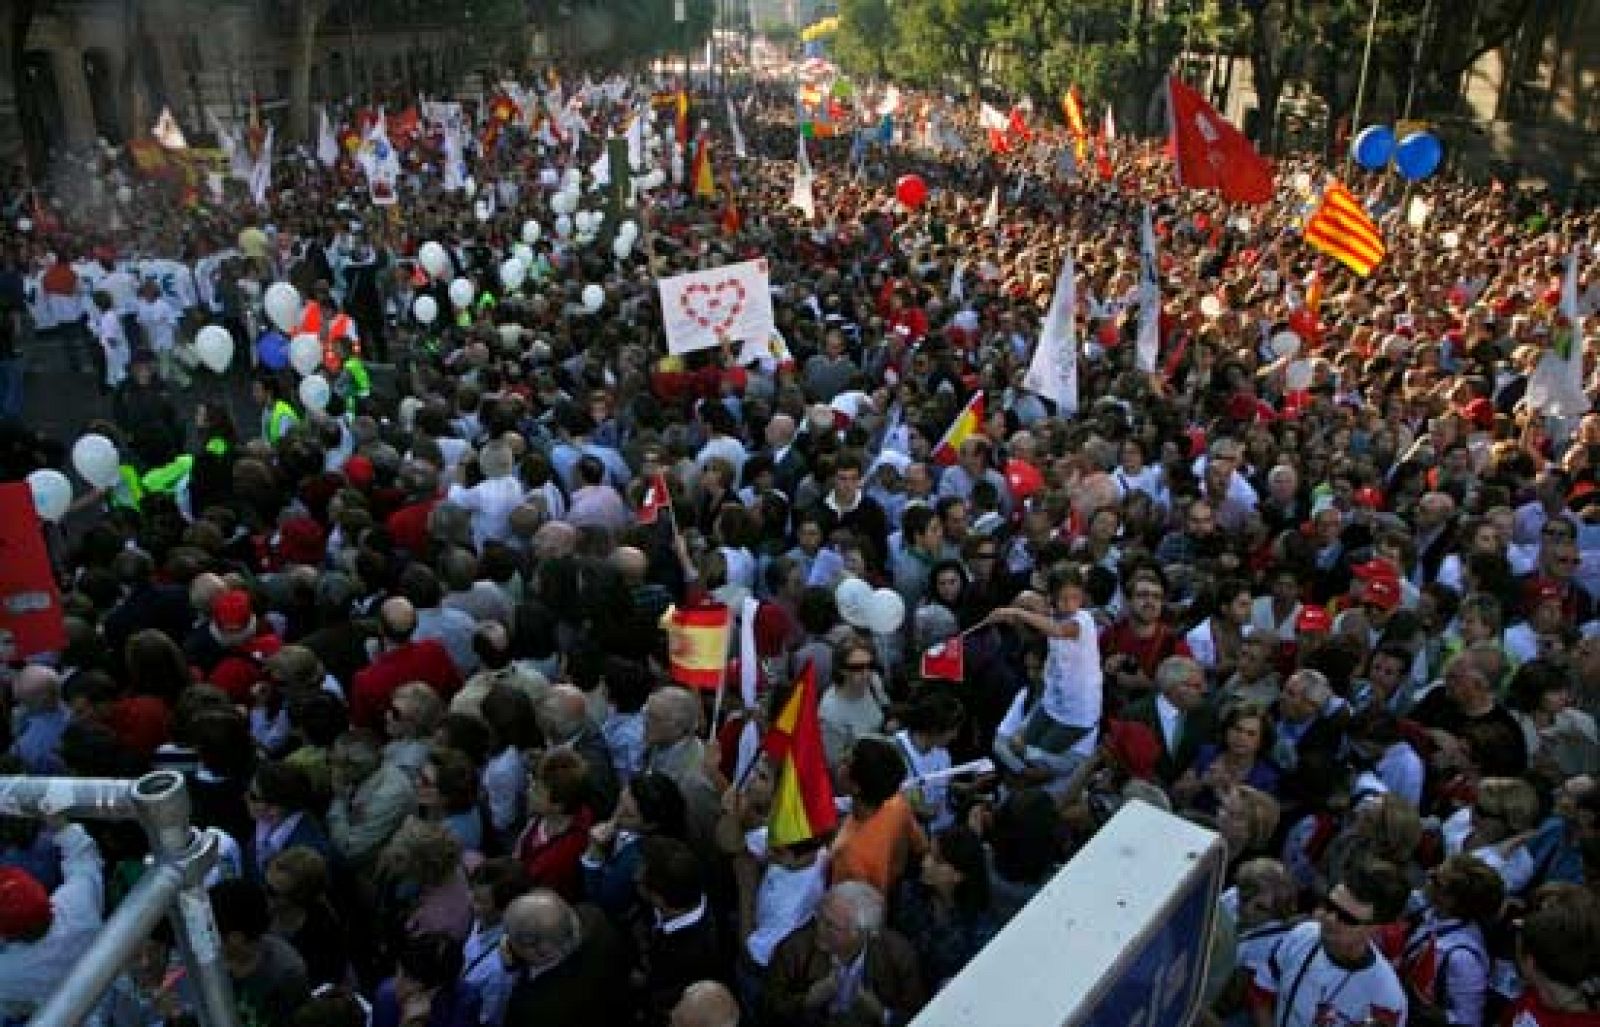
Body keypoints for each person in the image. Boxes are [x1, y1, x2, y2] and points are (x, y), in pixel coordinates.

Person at [1248, 858, 1411, 1027]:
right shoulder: (1303, 934)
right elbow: (1262, 994)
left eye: (1346, 918)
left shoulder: (1386, 998)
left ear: (1377, 928)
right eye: (1329, 905)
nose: (1329, 919)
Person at [762, 881, 925, 1026]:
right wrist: (806, 1000)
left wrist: (882, 1013)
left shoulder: (899, 954)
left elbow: (919, 1015)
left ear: (861, 933)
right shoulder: (793, 950)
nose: (819, 929)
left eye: (830, 925)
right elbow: (767, 1009)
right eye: (819, 917)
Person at [0, 819, 105, 1021]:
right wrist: (59, 820)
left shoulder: (6, 973)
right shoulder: (78, 905)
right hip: (96, 1004)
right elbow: (82, 854)